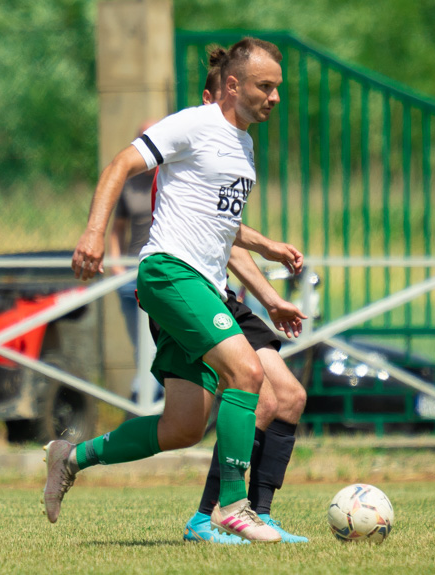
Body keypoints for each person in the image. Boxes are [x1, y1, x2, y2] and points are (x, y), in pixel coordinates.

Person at [47, 38, 301, 543]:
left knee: (182, 428)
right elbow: (121, 163)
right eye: (265, 86)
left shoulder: (242, 144)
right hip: (169, 273)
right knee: (248, 373)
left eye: (277, 88)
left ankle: (71, 457)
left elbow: (220, 226)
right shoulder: (195, 123)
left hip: (203, 284)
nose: (274, 97)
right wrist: (95, 232)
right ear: (232, 85)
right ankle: (232, 507)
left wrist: (266, 268)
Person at [166, 53, 308, 544]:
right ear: (218, 95)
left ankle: (260, 514)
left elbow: (225, 239)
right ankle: (210, 516)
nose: (270, 99)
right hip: (190, 291)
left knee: (288, 395)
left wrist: (269, 297)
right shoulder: (191, 147)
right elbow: (211, 237)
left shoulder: (239, 149)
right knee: (255, 398)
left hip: (225, 293)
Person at [106, 120, 162, 404]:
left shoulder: (173, 176)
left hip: (161, 272)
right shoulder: (129, 183)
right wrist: (117, 267)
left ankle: (143, 403)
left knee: (157, 346)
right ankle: (148, 405)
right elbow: (116, 230)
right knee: (142, 348)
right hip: (131, 274)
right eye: (143, 137)